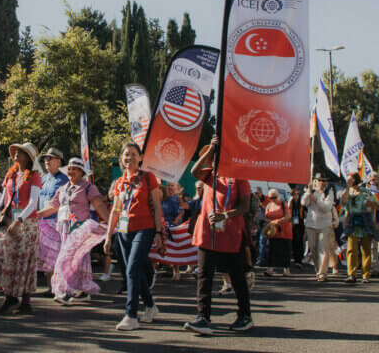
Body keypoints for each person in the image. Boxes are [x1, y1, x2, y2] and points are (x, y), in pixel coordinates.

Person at [183, 137, 254, 335]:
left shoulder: (239, 177)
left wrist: (225, 215)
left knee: (237, 277)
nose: (214, 159)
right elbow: (193, 171)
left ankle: (245, 315)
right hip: (207, 234)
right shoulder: (209, 175)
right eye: (213, 156)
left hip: (231, 235)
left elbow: (244, 206)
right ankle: (203, 318)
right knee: (204, 277)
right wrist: (212, 147)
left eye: (218, 154)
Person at [103, 142, 167, 331]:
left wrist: (157, 232)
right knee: (134, 271)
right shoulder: (120, 182)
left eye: (133, 154)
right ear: (121, 159)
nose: (129, 158)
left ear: (140, 158)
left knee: (131, 270)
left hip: (144, 229)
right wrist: (108, 237)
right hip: (123, 232)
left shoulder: (148, 178)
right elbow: (115, 211)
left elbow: (156, 206)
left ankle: (131, 315)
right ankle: (150, 306)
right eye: (125, 155)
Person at [0, 142, 44, 314]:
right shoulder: (11, 175)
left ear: (28, 158)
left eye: (21, 152)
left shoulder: (34, 176)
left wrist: (19, 220)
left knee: (23, 262)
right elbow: (3, 199)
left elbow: (33, 202)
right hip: (11, 221)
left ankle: (20, 300)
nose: (16, 154)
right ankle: (11, 296)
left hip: (26, 224)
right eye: (16, 151)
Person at [50, 157, 108, 304]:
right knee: (68, 258)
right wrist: (34, 214)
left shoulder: (88, 187)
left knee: (74, 259)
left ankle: (67, 290)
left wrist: (111, 222)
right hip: (65, 229)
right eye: (69, 169)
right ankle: (75, 290)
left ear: (81, 172)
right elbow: (52, 206)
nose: (71, 171)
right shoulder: (63, 189)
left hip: (80, 229)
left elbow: (99, 205)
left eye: (74, 169)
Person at [35, 148, 69, 282]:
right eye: (45, 159)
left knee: (56, 257)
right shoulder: (43, 179)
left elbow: (58, 204)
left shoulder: (65, 179)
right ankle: (51, 288)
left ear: (59, 161)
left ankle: (58, 287)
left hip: (56, 223)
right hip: (42, 223)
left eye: (50, 158)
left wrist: (36, 215)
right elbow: (38, 199)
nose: (46, 161)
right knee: (46, 257)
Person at [339, 172, 378, 283]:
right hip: (352, 224)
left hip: (365, 223)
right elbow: (344, 203)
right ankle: (351, 274)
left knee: (366, 250)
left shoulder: (365, 192)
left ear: (356, 180)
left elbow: (375, 206)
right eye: (347, 180)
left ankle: (366, 275)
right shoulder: (348, 192)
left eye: (350, 180)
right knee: (351, 250)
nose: (349, 181)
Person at [302, 174, 338, 281]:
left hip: (325, 225)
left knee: (323, 249)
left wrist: (316, 200)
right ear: (315, 182)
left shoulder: (329, 193)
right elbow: (304, 203)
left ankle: (322, 273)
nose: (322, 183)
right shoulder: (311, 192)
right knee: (313, 248)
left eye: (324, 181)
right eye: (320, 181)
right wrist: (308, 192)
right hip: (311, 225)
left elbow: (326, 208)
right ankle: (318, 270)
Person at [263, 189, 292, 276]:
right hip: (273, 232)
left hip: (284, 231)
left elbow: (288, 216)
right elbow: (266, 217)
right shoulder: (268, 205)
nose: (273, 199)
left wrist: (277, 221)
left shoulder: (283, 204)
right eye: (271, 197)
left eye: (274, 197)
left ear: (278, 196)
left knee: (285, 250)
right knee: (271, 250)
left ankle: (286, 270)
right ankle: (270, 269)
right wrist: (270, 222)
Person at [288, 186, 305, 269]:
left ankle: (299, 260)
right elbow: (288, 212)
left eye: (297, 194)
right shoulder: (290, 202)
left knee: (299, 242)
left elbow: (305, 213)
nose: (296, 195)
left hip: (300, 225)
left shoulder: (302, 203)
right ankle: (295, 259)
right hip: (293, 224)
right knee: (294, 242)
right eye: (294, 194)